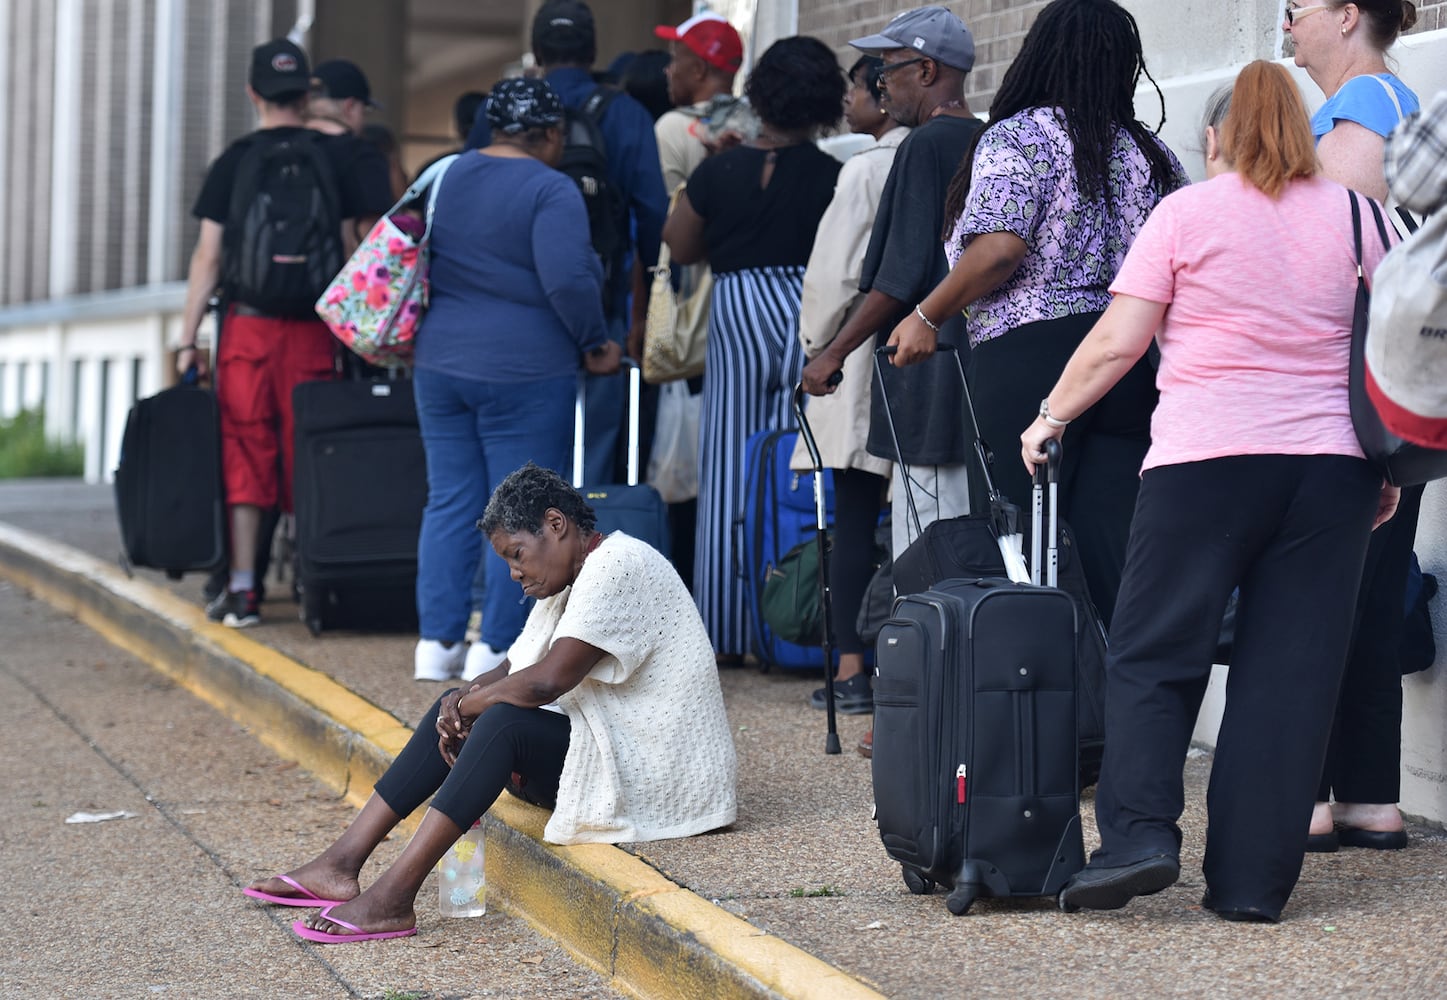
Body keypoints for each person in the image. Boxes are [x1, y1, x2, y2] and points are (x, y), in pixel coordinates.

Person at [1029, 62, 1400, 922]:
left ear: (1215, 139)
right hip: (1331, 472)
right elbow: (1402, 343)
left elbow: (1118, 341)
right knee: (1289, 677)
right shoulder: (1359, 214)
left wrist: (1048, 417)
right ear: (1306, 137)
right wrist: (1383, 468)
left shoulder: (1185, 212)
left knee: (1154, 654)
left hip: (1203, 464)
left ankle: (1139, 840)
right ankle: (1249, 887)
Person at [242, 464, 738, 943]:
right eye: (507, 560)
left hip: (656, 774)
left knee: (502, 723)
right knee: (458, 702)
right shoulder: (570, 581)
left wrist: (476, 707)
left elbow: (546, 683)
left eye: (518, 553)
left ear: (556, 524)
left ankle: (393, 897)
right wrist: (459, 702)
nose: (514, 573)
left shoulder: (621, 565)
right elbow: (509, 670)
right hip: (606, 755)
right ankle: (340, 864)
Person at [885, 0, 1186, 630]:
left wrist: (927, 316)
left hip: (1028, 362)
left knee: (1021, 548)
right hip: (1125, 357)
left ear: (1039, 54)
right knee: (1114, 551)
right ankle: (1112, 711)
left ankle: (1039, 711)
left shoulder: (1018, 137)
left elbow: (999, 247)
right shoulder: (1151, 154)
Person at [799, 5, 983, 756]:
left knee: (925, 554)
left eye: (890, 71)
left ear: (929, 73)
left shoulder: (925, 145)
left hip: (924, 380)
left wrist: (832, 351)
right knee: (981, 548)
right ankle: (968, 701)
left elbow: (897, 277)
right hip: (983, 381)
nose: (881, 86)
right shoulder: (991, 139)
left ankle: (918, 713)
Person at [410, 79, 622, 684]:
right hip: (526, 368)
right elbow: (567, 281)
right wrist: (595, 342)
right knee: (524, 509)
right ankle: (496, 645)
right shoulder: (549, 188)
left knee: (449, 497)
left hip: (440, 360)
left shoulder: (446, 174)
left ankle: (436, 642)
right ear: (552, 134)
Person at [176, 39, 392, 628]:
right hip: (317, 330)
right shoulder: (342, 157)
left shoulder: (237, 159)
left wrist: (187, 337)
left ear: (252, 94)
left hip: (248, 330)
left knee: (246, 450)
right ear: (308, 93)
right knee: (312, 454)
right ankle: (314, 580)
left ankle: (244, 589)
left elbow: (208, 258)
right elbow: (367, 246)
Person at [1286, 0, 1424, 852]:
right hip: (1393, 390)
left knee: (1309, 593)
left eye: (1297, 7)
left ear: (1345, 15)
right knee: (1372, 587)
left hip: (1345, 391)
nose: (1287, 22)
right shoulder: (1399, 102)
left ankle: (1301, 796)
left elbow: (1317, 254)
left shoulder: (1362, 108)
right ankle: (1371, 796)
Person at [662, 36, 845, 663]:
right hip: (808, 315)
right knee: (800, 467)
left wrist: (709, 173)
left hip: (737, 314)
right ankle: (790, 625)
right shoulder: (832, 176)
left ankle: (726, 631)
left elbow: (680, 247)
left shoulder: (720, 169)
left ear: (759, 97)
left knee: (728, 474)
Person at [467, 0, 669, 487]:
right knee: (591, 453)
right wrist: (646, 313)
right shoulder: (626, 114)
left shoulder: (497, 113)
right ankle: (581, 558)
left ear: (536, 50)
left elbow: (473, 198)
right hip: (602, 299)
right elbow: (654, 216)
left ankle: (517, 555)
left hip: (510, 310)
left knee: (511, 460)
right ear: (593, 49)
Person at [793, 55, 906, 715]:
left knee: (855, 517)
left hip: (858, 357)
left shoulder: (863, 169)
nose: (847, 102)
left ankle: (850, 669)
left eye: (856, 90)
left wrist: (818, 350)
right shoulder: (957, 151)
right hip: (930, 349)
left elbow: (832, 276)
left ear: (883, 96)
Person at [653, 11, 748, 192]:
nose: (668, 70)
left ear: (698, 70)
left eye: (674, 59)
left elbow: (666, 213)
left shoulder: (672, 127)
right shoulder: (759, 125)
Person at [306, 59, 380, 137]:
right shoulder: (358, 148)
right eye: (364, 111)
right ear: (350, 107)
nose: (364, 121)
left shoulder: (293, 143)